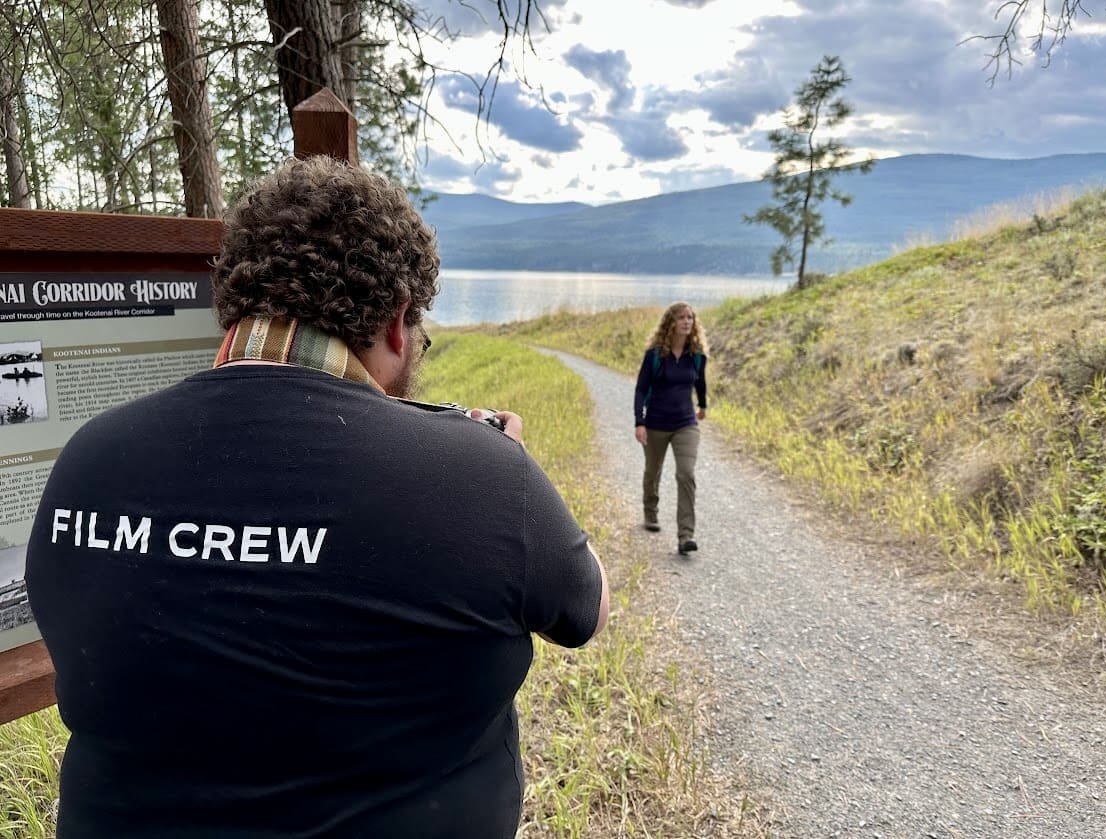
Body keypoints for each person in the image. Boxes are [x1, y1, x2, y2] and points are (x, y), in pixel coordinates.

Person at [26, 155, 608, 839]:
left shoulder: (88, 455)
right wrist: (503, 472)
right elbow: (585, 611)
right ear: (397, 322)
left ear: (237, 298)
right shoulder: (484, 474)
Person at [633, 301, 708, 555]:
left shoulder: (696, 355)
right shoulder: (655, 355)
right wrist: (639, 421)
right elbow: (641, 388)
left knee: (686, 473)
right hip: (655, 423)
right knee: (653, 471)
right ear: (671, 323)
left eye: (690, 318)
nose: (687, 322)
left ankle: (686, 535)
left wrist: (703, 405)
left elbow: (700, 383)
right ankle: (650, 512)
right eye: (682, 318)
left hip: (685, 423)